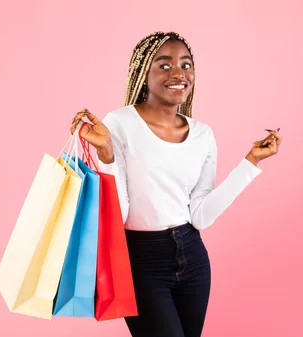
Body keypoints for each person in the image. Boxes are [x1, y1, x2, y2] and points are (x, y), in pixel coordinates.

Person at [70, 31, 282, 337]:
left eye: (186, 64)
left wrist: (251, 162)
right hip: (142, 261)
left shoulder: (202, 135)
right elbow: (121, 214)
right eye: (164, 65)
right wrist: (106, 155)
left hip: (192, 256)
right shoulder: (119, 123)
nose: (178, 73)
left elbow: (201, 215)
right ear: (144, 74)